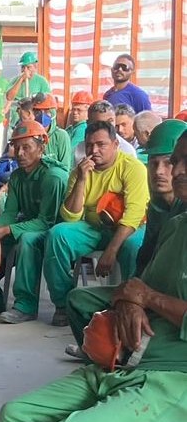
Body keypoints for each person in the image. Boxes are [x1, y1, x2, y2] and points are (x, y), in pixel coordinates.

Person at [0, 130, 187, 422]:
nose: (173, 171)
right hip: (128, 358)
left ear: (116, 145)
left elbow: (143, 279)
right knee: (13, 416)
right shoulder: (176, 222)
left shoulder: (129, 171)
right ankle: (94, 353)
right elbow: (69, 217)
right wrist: (130, 299)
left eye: (179, 163)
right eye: (169, 162)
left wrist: (147, 298)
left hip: (170, 373)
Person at [43, 121, 149, 327]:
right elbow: (71, 216)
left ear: (115, 144)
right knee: (58, 235)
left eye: (101, 144)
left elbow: (134, 214)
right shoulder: (80, 170)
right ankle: (64, 304)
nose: (94, 150)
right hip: (93, 228)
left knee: (132, 246)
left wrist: (111, 251)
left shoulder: (132, 168)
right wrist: (82, 179)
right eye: (90, 145)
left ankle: (130, 306)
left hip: (126, 228)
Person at [0, 122, 68, 320]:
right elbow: (9, 213)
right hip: (27, 225)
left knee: (28, 241)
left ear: (41, 147)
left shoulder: (53, 176)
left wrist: (6, 230)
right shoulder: (17, 176)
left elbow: (46, 222)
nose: (20, 153)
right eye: (16, 147)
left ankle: (25, 305)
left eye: (27, 147)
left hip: (52, 229)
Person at [133, 120, 187, 275]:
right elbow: (146, 256)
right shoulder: (157, 204)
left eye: (169, 162)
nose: (159, 172)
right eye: (153, 163)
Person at [72, 100, 138, 165]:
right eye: (99, 124)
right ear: (88, 124)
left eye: (110, 122)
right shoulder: (80, 150)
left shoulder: (127, 151)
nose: (106, 127)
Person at [32, 92, 72, 168]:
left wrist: (45, 159)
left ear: (53, 113)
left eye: (47, 111)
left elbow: (65, 167)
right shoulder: (30, 135)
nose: (42, 115)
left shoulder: (61, 136)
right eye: (38, 111)